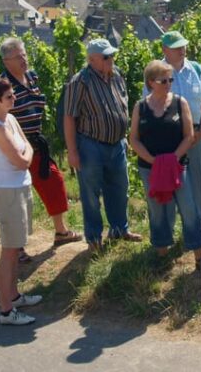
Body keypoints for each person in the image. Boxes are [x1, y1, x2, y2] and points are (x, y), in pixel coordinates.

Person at [0, 38, 81, 263]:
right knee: (19, 198)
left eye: (24, 54)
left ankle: (61, 232)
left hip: (36, 144)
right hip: (17, 147)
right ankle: (17, 248)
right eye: (18, 56)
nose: (24, 59)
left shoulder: (32, 76)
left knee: (54, 181)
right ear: (6, 61)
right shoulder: (2, 84)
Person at [130, 60, 201, 272]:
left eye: (171, 79)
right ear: (151, 82)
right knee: (157, 209)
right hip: (150, 168)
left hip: (178, 167)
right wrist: (152, 160)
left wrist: (173, 158)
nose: (169, 83)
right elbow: (134, 139)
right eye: (164, 80)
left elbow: (189, 136)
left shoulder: (180, 103)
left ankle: (199, 256)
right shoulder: (140, 107)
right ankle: (162, 255)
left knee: (188, 208)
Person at [63, 38, 142, 253]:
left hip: (117, 144)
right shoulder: (80, 81)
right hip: (90, 144)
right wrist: (72, 152)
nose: (111, 59)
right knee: (90, 193)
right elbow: (69, 117)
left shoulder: (117, 76)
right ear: (92, 60)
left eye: (112, 55)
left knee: (119, 188)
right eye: (106, 57)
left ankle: (119, 229)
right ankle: (94, 237)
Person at [142, 31, 201, 240]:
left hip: (196, 135)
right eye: (176, 47)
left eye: (183, 45)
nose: (182, 49)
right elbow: (147, 106)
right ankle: (172, 230)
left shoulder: (196, 69)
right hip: (170, 141)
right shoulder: (157, 72)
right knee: (171, 185)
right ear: (164, 50)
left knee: (198, 183)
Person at [0, 77, 42, 326]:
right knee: (8, 252)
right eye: (8, 96)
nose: (14, 98)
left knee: (16, 248)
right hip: (8, 193)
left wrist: (26, 155)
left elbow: (27, 147)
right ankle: (6, 310)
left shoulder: (11, 119)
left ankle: (15, 296)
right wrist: (27, 156)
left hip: (20, 188)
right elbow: (22, 160)